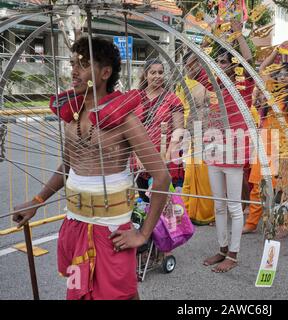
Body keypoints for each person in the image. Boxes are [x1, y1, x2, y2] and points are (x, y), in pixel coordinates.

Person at [12, 37, 171, 299]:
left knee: (122, 294)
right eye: (73, 63)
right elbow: (68, 166)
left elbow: (161, 177)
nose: (74, 71)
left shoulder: (124, 120)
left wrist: (143, 234)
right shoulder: (72, 114)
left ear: (105, 73)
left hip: (111, 232)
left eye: (84, 65)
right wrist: (36, 201)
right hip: (75, 224)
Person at [242, 40, 288, 234]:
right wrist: (276, 51)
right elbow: (263, 67)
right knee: (259, 186)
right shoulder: (269, 93)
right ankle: (251, 223)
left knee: (286, 189)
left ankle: (285, 223)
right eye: (279, 75)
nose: (282, 77)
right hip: (267, 147)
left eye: (286, 75)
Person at [198, 19, 255, 272]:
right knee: (218, 205)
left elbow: (248, 60)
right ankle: (221, 249)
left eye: (224, 62)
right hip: (213, 148)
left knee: (233, 205)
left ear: (233, 68)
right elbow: (193, 62)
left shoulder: (242, 85)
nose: (220, 66)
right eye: (218, 62)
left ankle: (233, 254)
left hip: (233, 149)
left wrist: (237, 32)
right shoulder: (212, 84)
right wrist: (208, 34)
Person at [133, 59, 184, 200]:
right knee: (144, 199)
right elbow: (130, 131)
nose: (157, 76)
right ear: (145, 75)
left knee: (164, 203)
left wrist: (166, 158)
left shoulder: (172, 99)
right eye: (153, 72)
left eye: (160, 72)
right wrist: (138, 156)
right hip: (140, 160)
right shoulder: (135, 98)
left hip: (165, 158)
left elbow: (178, 132)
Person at [177, 52, 215, 226]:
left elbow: (212, 106)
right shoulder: (183, 84)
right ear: (185, 65)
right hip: (190, 132)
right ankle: (187, 211)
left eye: (198, 63)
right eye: (191, 63)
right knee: (190, 174)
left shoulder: (210, 82)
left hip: (207, 131)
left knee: (205, 175)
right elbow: (180, 109)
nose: (194, 67)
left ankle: (206, 213)